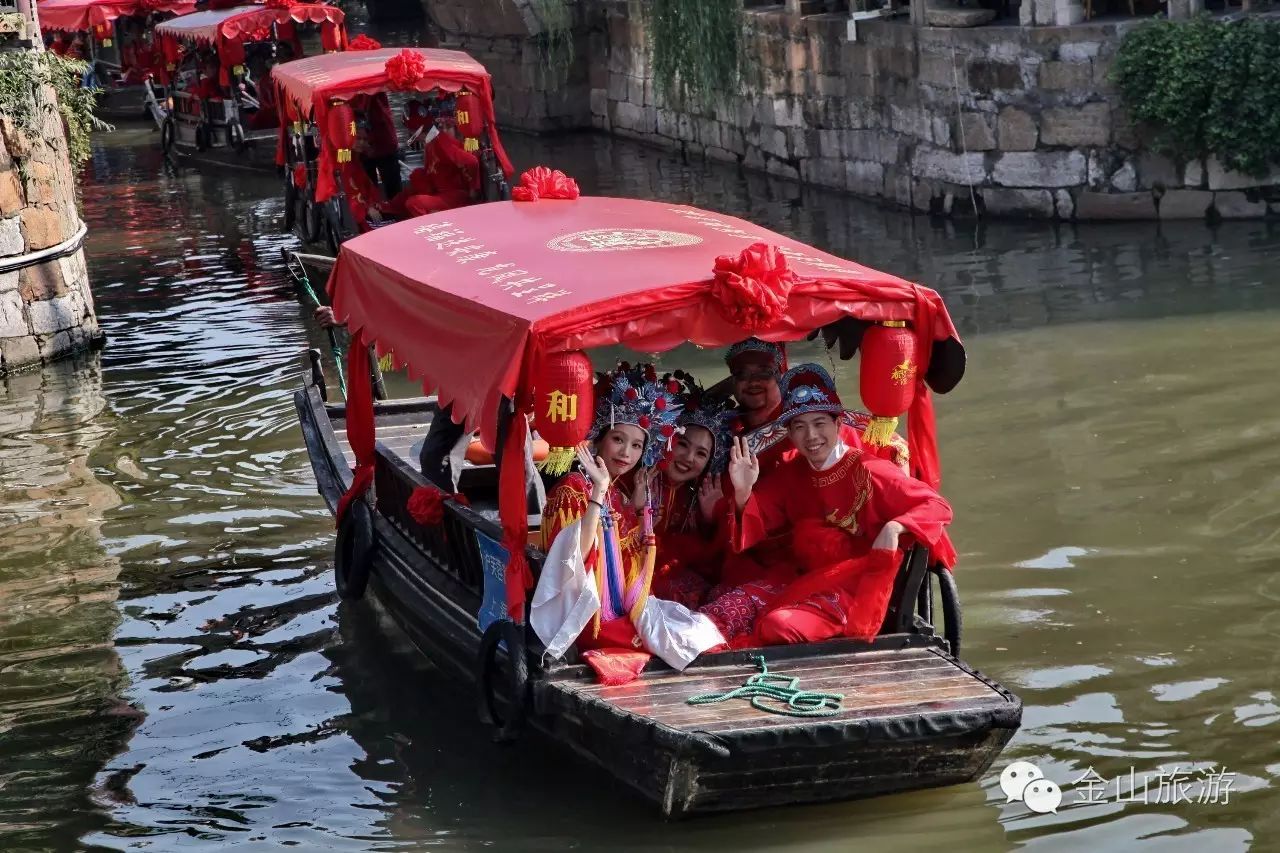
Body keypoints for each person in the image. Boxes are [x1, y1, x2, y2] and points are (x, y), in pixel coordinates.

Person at [698, 363, 956, 647]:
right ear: (790, 434)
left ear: (838, 424)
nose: (811, 436)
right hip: (805, 580)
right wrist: (743, 490)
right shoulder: (791, 473)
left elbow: (936, 506)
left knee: (777, 626)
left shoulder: (870, 470)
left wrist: (895, 527)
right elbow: (757, 520)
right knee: (724, 607)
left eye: (819, 423)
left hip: (854, 589)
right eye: (799, 427)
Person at [531, 363, 723, 684]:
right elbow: (575, 559)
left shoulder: (618, 494)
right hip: (585, 612)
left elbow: (625, 562)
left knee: (697, 632)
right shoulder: (572, 490)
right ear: (599, 441)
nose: (626, 453)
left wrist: (636, 511)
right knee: (670, 640)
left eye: (636, 445)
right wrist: (598, 492)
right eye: (618, 439)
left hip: (619, 605)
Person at [647, 376, 733, 610]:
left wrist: (711, 517)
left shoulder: (699, 495)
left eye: (701, 454)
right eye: (683, 444)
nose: (689, 458)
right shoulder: (639, 480)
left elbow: (712, 556)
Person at [353, 92, 402, 199]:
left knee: (394, 191)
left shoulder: (376, 95)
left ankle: (396, 208)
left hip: (384, 143)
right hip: (363, 147)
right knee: (367, 192)